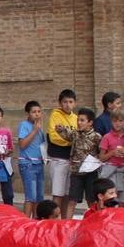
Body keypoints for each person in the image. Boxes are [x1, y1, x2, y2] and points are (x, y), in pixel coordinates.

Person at [56, 107, 102, 220]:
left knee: (91, 201)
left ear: (90, 122)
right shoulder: (75, 134)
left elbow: (102, 153)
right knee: (72, 200)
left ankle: (94, 221)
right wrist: (60, 129)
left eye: (82, 120)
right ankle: (67, 224)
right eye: (78, 120)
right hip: (76, 172)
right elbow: (66, 134)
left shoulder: (97, 137)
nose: (79, 123)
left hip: (91, 173)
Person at [46, 89, 78, 218]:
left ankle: (64, 221)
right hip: (58, 159)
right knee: (57, 194)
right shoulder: (55, 115)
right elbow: (54, 137)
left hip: (72, 160)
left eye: (70, 102)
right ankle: (54, 220)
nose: (68, 105)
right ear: (60, 103)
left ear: (75, 103)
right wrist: (70, 142)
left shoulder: (76, 118)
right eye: (65, 102)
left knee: (67, 195)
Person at [17, 100, 46, 218]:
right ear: (28, 114)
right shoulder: (24, 125)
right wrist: (34, 130)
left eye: (39, 111)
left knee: (39, 196)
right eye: (34, 112)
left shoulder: (40, 127)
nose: (37, 114)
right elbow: (22, 144)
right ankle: (25, 222)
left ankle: (36, 221)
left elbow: (42, 145)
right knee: (31, 196)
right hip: (28, 164)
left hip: (39, 163)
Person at [98, 110, 124, 206]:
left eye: (120, 121)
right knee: (110, 202)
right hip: (111, 173)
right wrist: (112, 153)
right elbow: (101, 158)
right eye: (115, 121)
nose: (117, 123)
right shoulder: (106, 137)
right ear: (111, 122)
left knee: (123, 202)